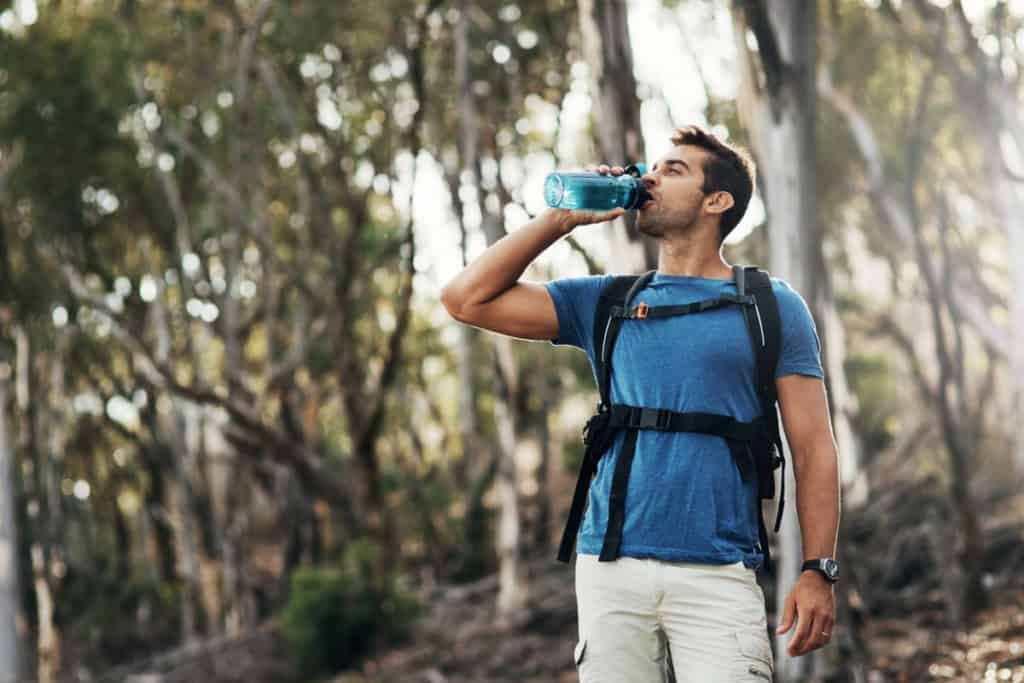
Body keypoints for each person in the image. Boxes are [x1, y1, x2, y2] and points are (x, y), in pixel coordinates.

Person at [440, 124, 840, 682]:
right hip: (610, 569)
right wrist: (559, 220)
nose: (649, 177)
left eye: (673, 170)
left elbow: (814, 447)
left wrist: (818, 569)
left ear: (716, 201)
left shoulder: (769, 306)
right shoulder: (604, 302)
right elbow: (464, 299)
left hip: (720, 572)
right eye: (651, 167)